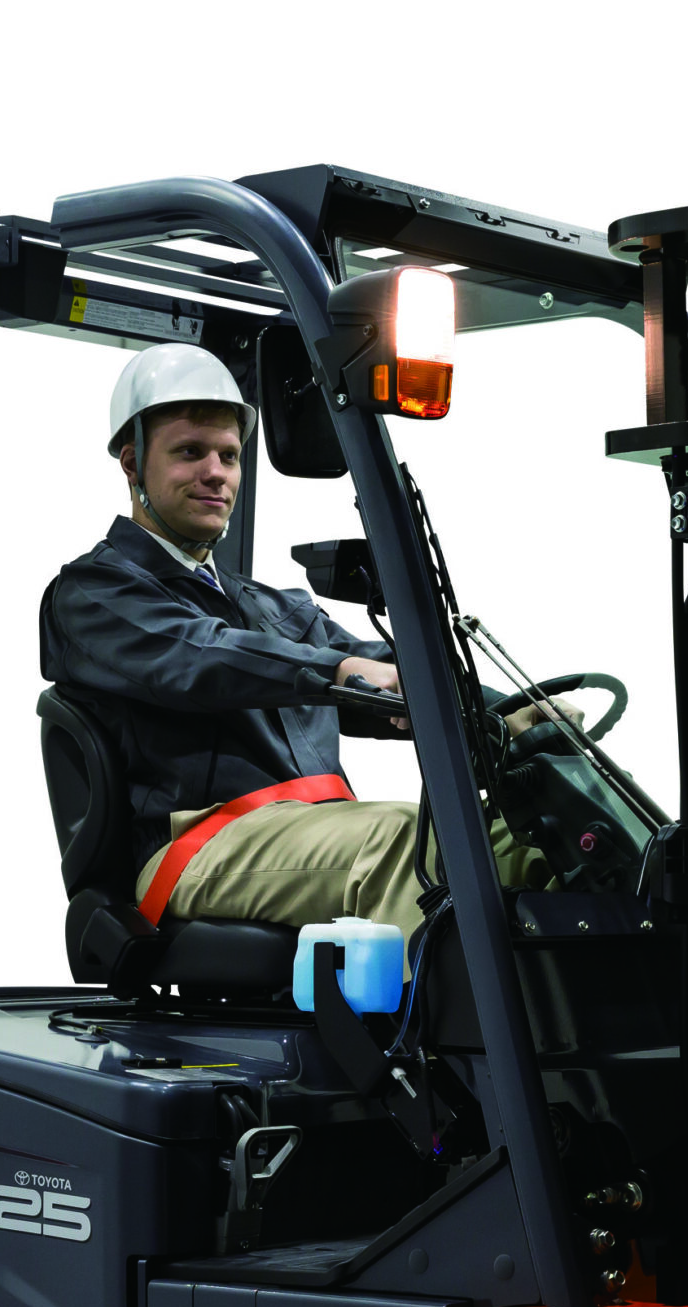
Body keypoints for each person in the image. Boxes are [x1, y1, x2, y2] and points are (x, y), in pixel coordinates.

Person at [38, 343, 549, 943]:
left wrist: (511, 712)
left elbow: (388, 667)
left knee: (529, 837)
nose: (216, 472)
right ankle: (438, 1008)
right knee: (402, 844)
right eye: (190, 452)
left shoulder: (272, 607)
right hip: (198, 842)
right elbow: (201, 657)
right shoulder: (94, 593)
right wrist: (338, 672)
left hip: (317, 828)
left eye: (229, 455)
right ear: (132, 463)